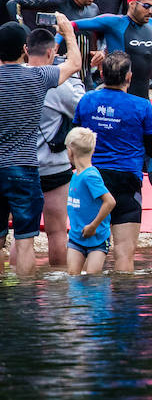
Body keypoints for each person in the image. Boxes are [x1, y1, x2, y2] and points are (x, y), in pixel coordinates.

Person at [73, 52, 152, 272]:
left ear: (101, 73)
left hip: (92, 179)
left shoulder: (87, 100)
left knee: (85, 248)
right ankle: (124, 304)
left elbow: (75, 138)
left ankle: (82, 303)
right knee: (124, 254)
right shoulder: (142, 106)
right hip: (127, 181)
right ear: (129, 77)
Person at [0, 18, 82, 276]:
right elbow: (75, 65)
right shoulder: (38, 76)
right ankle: (25, 297)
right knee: (25, 242)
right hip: (25, 168)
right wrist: (67, 32)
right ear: (25, 49)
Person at [25, 27, 85, 267]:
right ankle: (58, 291)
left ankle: (20, 289)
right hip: (54, 166)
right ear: (52, 52)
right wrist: (74, 80)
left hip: (20, 165)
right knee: (58, 231)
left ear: (26, 50)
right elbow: (79, 110)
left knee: (23, 237)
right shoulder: (58, 83)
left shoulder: (11, 77)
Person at [63, 126, 115, 276]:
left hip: (97, 238)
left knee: (93, 278)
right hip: (76, 237)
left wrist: (93, 226)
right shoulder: (75, 175)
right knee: (73, 276)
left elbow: (110, 202)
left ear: (70, 151)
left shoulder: (90, 176)